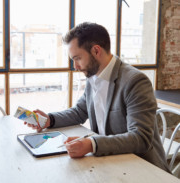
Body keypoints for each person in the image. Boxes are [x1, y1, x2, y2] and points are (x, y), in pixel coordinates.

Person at [25, 22, 170, 173]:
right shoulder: (93, 76)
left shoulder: (135, 81)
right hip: (111, 163)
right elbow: (79, 112)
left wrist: (92, 144)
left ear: (96, 51)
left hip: (144, 169)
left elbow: (141, 138)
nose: (75, 66)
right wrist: (49, 119)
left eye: (77, 58)